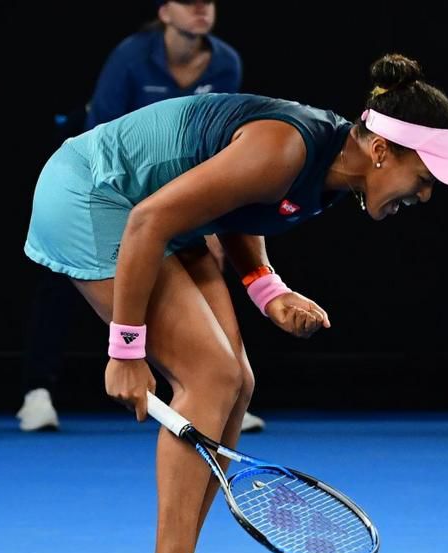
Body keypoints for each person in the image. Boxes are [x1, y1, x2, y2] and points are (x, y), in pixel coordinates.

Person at [23, 53, 448, 553]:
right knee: (209, 376)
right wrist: (126, 351)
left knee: (236, 381)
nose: (426, 195)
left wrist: (268, 291)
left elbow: (235, 204)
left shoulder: (332, 169)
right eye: (425, 178)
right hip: (96, 195)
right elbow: (146, 221)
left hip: (154, 210)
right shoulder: (287, 148)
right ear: (383, 152)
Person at [17, 0, 268, 432]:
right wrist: (145, 217)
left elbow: (223, 146)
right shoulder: (130, 57)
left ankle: (219, 389)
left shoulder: (226, 62)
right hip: (105, 177)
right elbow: (106, 137)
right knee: (63, 278)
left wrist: (207, 219)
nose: (201, 10)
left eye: (206, 2)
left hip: (180, 183)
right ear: (165, 11)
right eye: (189, 3)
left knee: (205, 264)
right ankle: (36, 392)